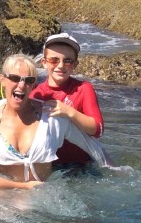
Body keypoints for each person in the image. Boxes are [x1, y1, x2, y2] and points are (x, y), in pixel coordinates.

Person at [0, 53, 112, 182]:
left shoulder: (51, 117)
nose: (21, 85)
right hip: (2, 200)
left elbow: (91, 145)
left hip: (43, 198)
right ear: (2, 80)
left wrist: (117, 171)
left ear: (34, 84)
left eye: (28, 80)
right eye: (15, 78)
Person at [30, 32, 105, 167]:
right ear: (44, 63)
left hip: (81, 165)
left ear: (75, 64)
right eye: (54, 60)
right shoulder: (36, 94)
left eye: (68, 61)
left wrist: (69, 112)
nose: (61, 65)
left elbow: (98, 129)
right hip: (49, 166)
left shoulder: (83, 89)